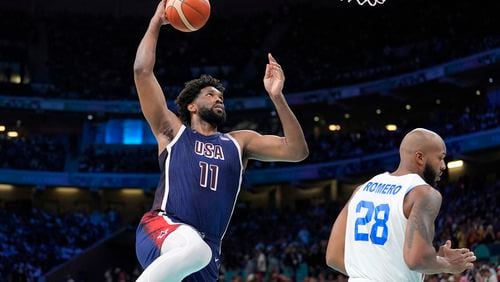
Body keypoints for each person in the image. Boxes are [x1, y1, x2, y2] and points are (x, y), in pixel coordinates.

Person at [133, 1, 309, 281]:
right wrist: (156, 22)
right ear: (191, 106)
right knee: (196, 250)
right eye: (211, 94)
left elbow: (297, 151)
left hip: (209, 252)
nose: (218, 98)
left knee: (200, 252)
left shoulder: (239, 143)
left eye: (221, 96)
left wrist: (277, 97)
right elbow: (142, 72)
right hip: (164, 227)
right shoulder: (173, 132)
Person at [325, 128, 476, 281]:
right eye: (440, 158)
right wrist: (447, 264)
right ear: (420, 158)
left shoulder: (361, 190)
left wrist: (371, 274)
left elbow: (333, 256)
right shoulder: (424, 194)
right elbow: (417, 260)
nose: (443, 165)